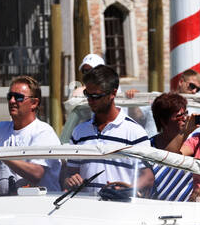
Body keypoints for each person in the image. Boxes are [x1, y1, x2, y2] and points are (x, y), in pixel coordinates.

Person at [65, 64, 153, 192]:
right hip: (84, 207)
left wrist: (127, 189)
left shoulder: (135, 132)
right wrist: (70, 179)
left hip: (120, 207)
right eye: (87, 94)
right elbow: (70, 173)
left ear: (113, 93)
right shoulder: (79, 132)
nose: (90, 100)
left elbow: (148, 177)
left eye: (95, 96)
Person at [0, 75, 61, 192]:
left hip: (39, 206)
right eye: (10, 96)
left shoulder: (43, 132)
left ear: (34, 103)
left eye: (18, 97)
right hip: (3, 204)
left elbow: (37, 173)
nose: (12, 101)